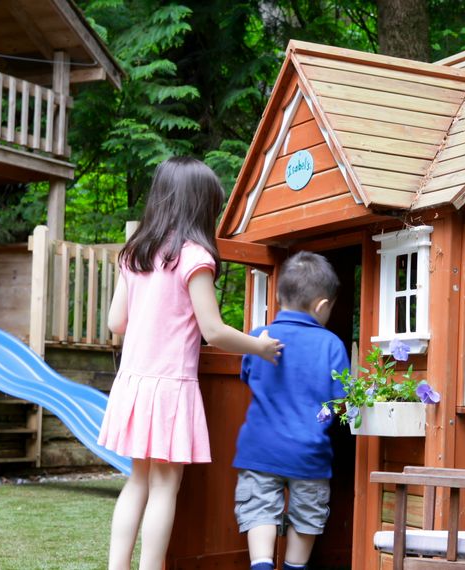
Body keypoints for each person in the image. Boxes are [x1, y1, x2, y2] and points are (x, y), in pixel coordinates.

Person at [99, 156, 283, 570]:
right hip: (169, 387)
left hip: (133, 382)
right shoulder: (194, 256)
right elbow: (213, 330)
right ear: (200, 207)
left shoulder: (134, 254)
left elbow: (115, 323)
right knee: (165, 487)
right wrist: (261, 347)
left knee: (137, 481)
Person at [233, 251, 349, 570]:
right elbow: (341, 402)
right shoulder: (331, 345)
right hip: (308, 452)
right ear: (322, 306)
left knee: (258, 507)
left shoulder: (259, 337)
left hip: (260, 447)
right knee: (308, 515)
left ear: (279, 296)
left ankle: (261, 564)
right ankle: (295, 566)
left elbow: (247, 376)